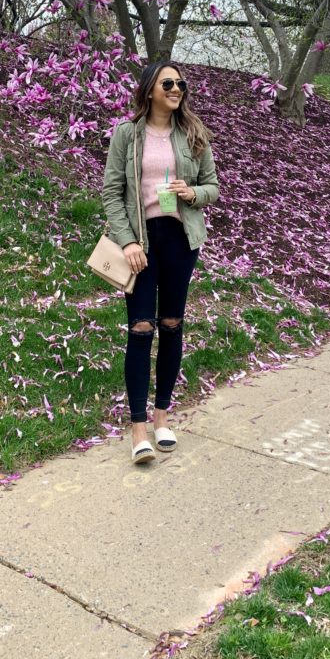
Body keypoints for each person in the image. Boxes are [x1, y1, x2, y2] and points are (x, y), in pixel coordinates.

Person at [102, 61, 219, 463]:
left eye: (180, 84)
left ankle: (162, 416)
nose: (176, 88)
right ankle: (138, 428)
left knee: (171, 325)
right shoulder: (126, 134)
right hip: (141, 242)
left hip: (180, 241)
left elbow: (213, 188)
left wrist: (192, 193)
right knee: (139, 327)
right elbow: (111, 194)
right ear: (150, 89)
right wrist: (128, 240)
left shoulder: (194, 134)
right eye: (168, 83)